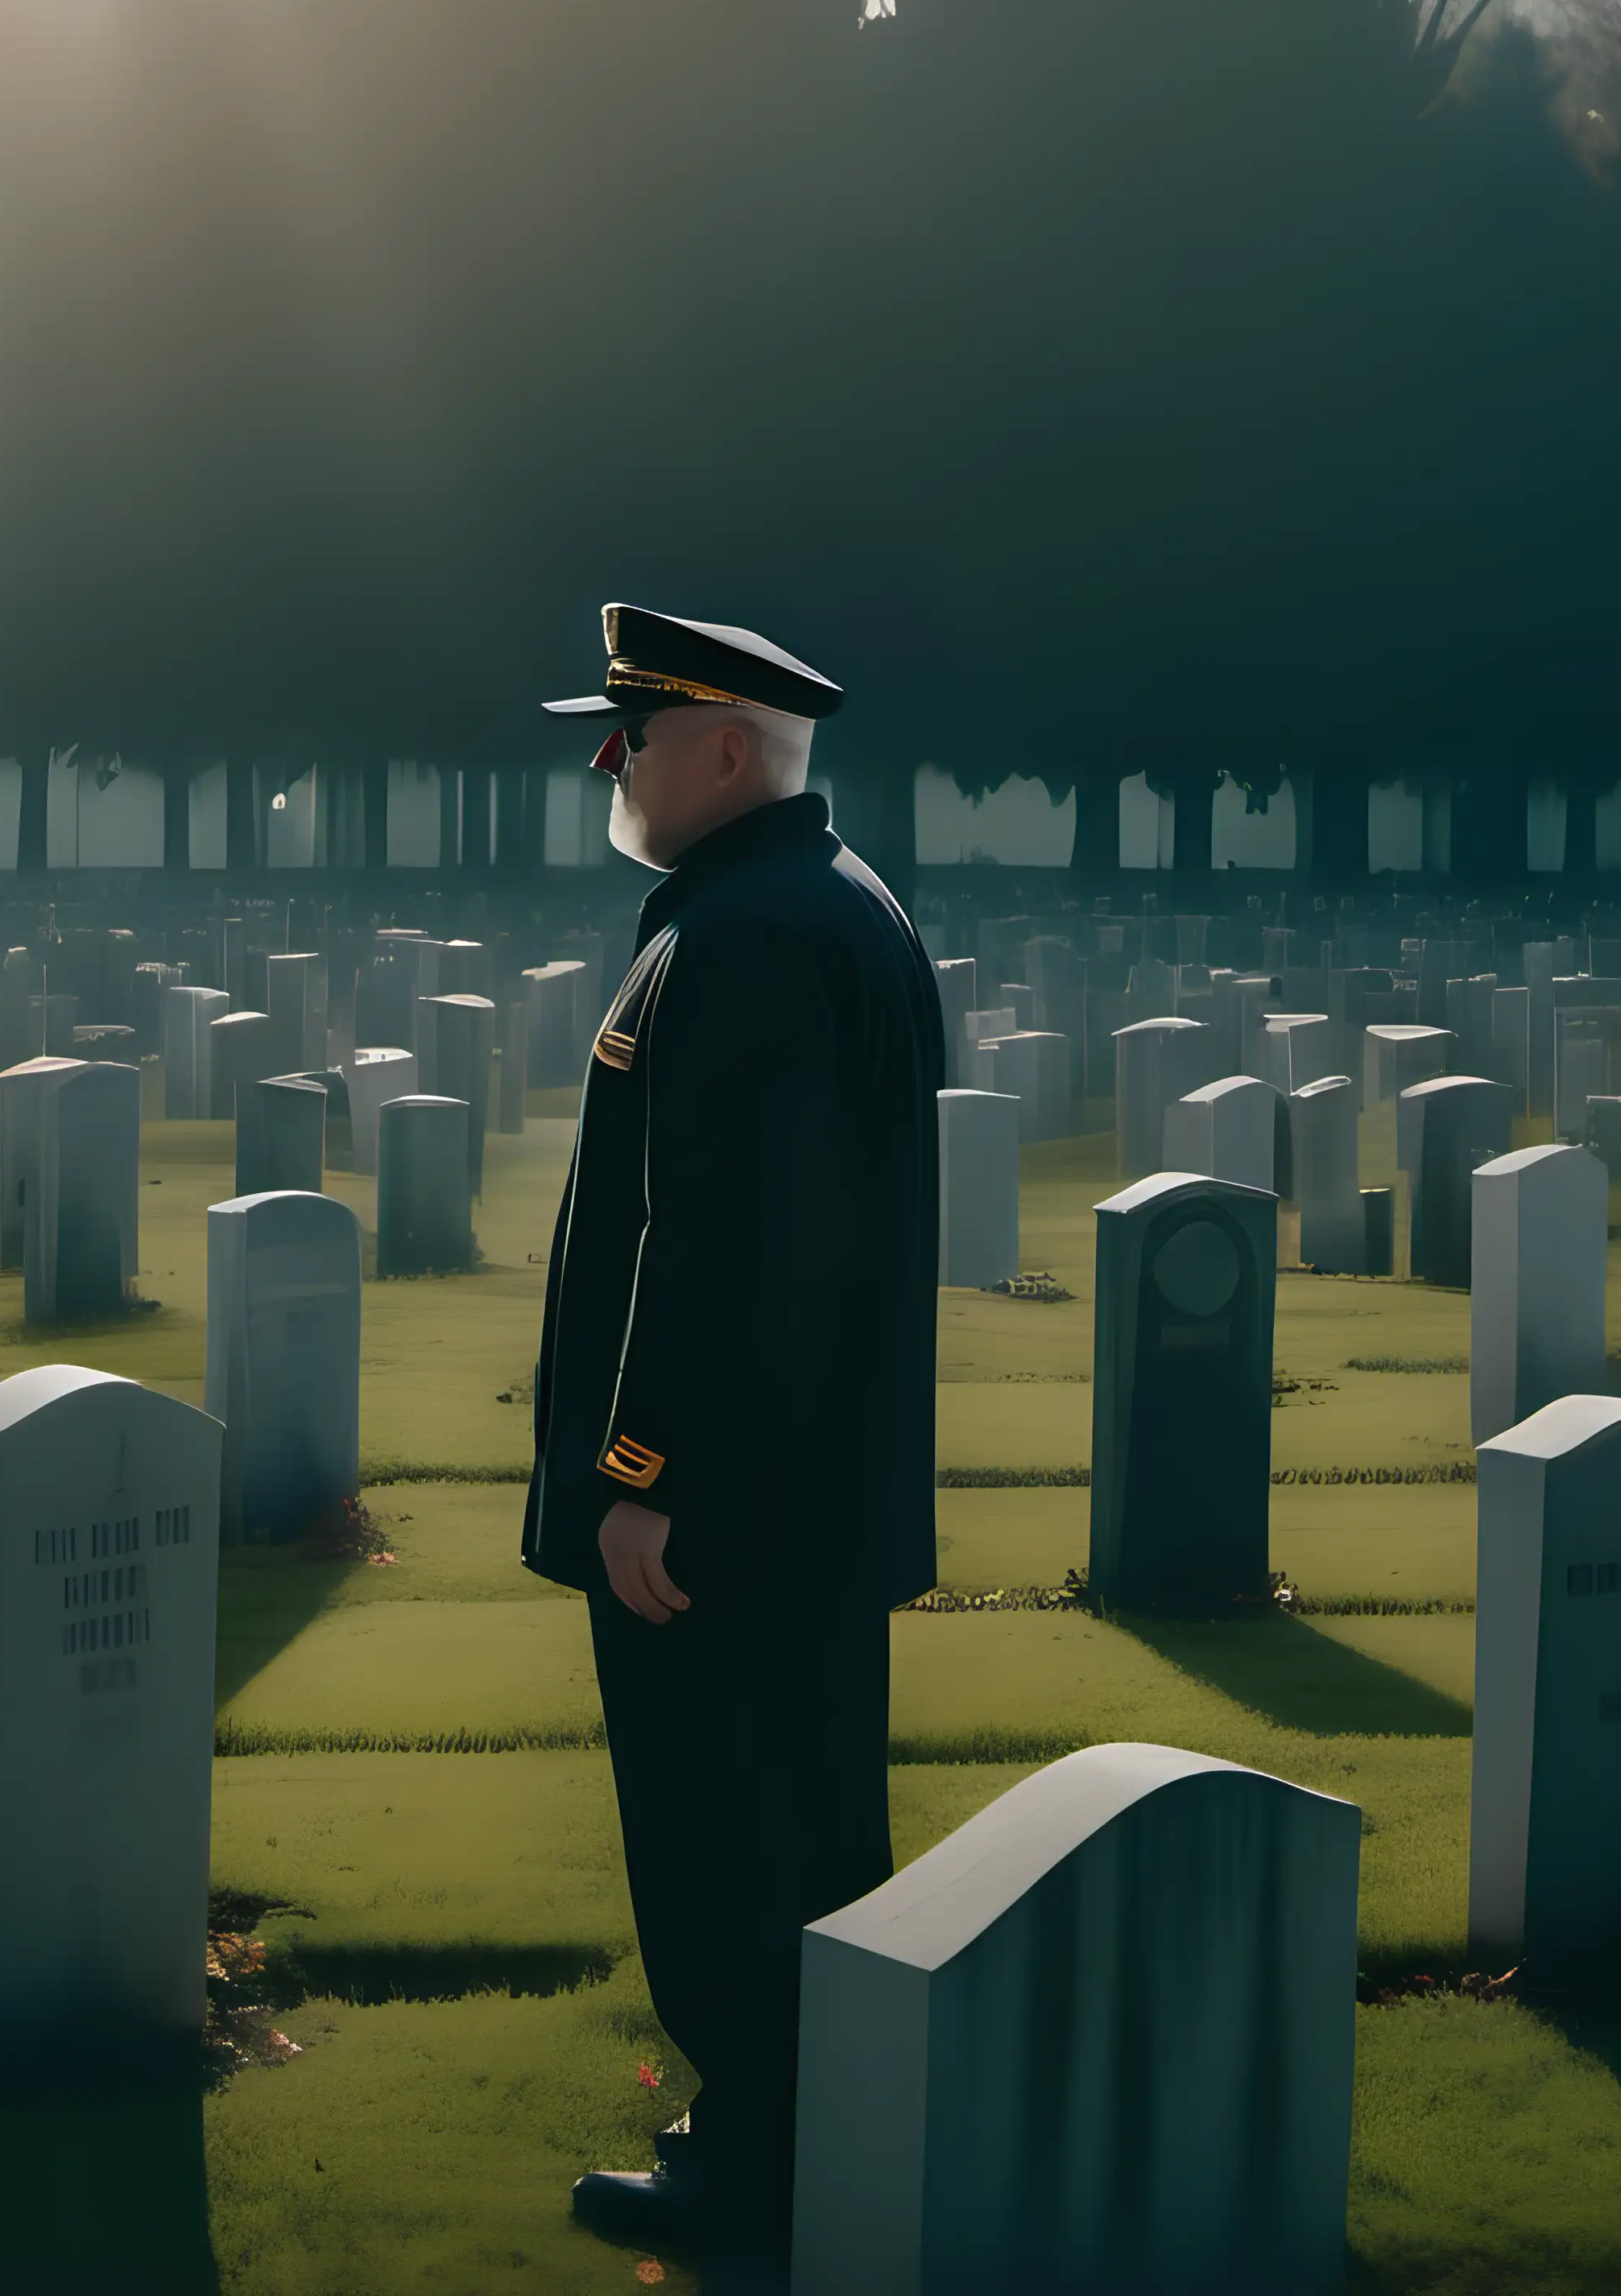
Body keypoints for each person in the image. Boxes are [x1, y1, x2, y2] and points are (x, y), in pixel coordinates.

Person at [522, 605, 946, 2257]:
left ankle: (750, 2169)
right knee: (805, 1829)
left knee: (723, 1843)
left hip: (725, 1515)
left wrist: (643, 1478)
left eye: (632, 727)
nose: (605, 756)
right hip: (803, 1502)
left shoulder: (750, 936)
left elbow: (713, 1240)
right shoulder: (819, 905)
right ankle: (807, 2137)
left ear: (722, 748)